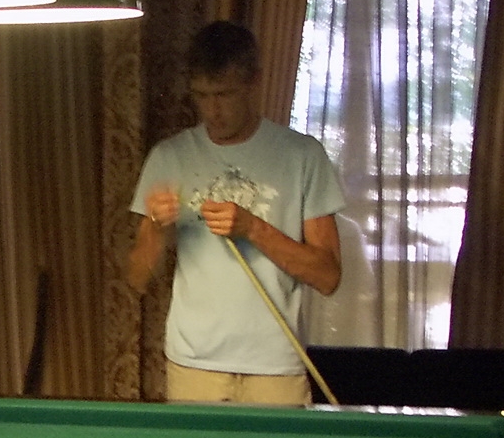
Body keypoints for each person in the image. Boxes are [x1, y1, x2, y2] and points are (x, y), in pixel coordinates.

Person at [125, 21, 345, 404]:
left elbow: (328, 277)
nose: (213, 110)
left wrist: (254, 228)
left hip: (276, 367)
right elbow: (137, 278)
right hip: (194, 366)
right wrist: (157, 228)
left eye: (224, 95)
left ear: (254, 83)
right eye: (202, 96)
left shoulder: (302, 156)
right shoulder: (170, 157)